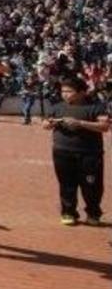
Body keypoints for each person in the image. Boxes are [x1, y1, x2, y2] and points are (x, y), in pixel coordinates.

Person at [43, 75, 109, 226]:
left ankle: (93, 214)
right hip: (62, 152)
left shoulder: (95, 107)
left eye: (69, 91)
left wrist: (80, 123)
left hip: (89, 153)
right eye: (63, 91)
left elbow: (104, 127)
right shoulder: (58, 107)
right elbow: (45, 123)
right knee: (66, 184)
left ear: (81, 92)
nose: (65, 94)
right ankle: (68, 212)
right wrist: (49, 123)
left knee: (91, 185)